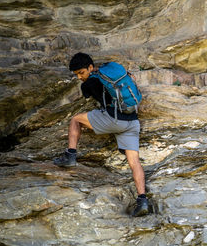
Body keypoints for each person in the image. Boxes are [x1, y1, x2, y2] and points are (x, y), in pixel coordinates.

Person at [53, 52, 149, 217]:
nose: (79, 77)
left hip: (114, 120)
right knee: (134, 162)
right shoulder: (111, 76)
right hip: (132, 122)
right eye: (76, 74)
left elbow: (88, 95)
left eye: (81, 73)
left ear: (90, 67)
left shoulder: (91, 82)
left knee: (76, 120)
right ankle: (142, 200)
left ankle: (70, 155)